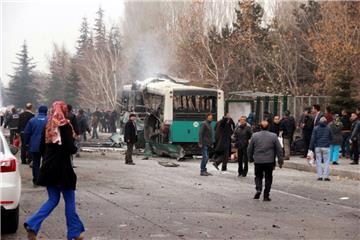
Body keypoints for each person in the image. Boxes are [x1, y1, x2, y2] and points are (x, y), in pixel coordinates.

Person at [24, 101, 85, 240]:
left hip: (48, 169)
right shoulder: (65, 126)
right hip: (63, 170)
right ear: (63, 111)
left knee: (53, 199)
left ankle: (32, 224)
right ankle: (74, 233)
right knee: (69, 201)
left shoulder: (48, 126)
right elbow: (70, 148)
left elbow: (41, 148)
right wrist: (74, 145)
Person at [247, 120, 283, 201]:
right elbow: (279, 150)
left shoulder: (255, 136)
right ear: (268, 127)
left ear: (260, 127)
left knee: (258, 176)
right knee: (268, 177)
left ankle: (259, 188)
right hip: (269, 161)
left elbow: (249, 149)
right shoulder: (273, 136)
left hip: (258, 161)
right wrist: (280, 161)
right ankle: (266, 195)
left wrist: (250, 158)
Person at [24, 105, 48, 186]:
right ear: (46, 111)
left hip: (35, 145)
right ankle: (44, 180)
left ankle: (36, 180)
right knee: (46, 163)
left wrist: (26, 143)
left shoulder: (32, 120)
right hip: (46, 146)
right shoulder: (49, 121)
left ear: (38, 111)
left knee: (36, 163)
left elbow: (27, 133)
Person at [309, 117, 333, 181]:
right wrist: (329, 142)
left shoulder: (316, 128)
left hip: (318, 146)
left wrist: (310, 148)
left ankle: (319, 176)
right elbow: (331, 137)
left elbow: (313, 138)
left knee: (318, 161)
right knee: (326, 161)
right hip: (326, 146)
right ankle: (326, 176)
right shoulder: (328, 128)